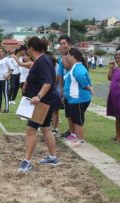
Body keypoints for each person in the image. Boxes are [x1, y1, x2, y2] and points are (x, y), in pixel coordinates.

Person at [18, 37, 61, 172]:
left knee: (31, 130)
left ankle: (27, 161)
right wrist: (28, 83)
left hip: (43, 102)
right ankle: (53, 157)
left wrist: (39, 96)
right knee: (46, 128)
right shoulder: (44, 59)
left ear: (31, 48)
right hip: (47, 100)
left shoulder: (42, 60)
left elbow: (47, 82)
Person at [63, 48, 93, 147]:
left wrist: (89, 88)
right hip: (74, 99)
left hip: (79, 99)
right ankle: (77, 138)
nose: (67, 57)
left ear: (73, 56)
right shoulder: (75, 66)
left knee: (78, 120)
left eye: (68, 55)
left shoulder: (78, 68)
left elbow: (81, 78)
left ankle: (80, 141)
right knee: (75, 119)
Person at [57, 35, 74, 138]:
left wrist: (63, 55)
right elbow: (60, 74)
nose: (62, 46)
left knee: (73, 111)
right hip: (66, 86)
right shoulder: (60, 58)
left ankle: (74, 132)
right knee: (67, 111)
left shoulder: (73, 56)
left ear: (70, 45)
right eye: (61, 44)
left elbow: (69, 67)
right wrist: (61, 88)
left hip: (74, 87)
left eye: (64, 43)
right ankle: (71, 130)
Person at [0, 48, 13, 113]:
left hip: (4, 79)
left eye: (1, 51)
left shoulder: (6, 60)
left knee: (5, 94)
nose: (0, 52)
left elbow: (12, 69)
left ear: (4, 53)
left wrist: (8, 74)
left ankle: (6, 108)